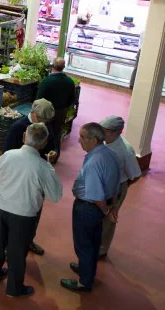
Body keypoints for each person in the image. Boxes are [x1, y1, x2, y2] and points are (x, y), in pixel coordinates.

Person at [0, 123, 63, 298]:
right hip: (24, 214)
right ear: (44, 143)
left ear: (24, 136)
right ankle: (14, 289)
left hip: (2, 207)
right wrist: (50, 166)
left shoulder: (8, 155)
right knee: (17, 250)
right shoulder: (43, 167)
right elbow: (55, 195)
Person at [61, 123, 120, 293]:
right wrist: (112, 206)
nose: (79, 141)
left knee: (84, 245)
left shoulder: (94, 162)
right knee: (93, 242)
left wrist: (106, 211)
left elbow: (95, 196)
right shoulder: (110, 153)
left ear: (94, 140)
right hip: (99, 208)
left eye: (82, 137)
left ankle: (84, 282)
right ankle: (87, 268)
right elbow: (116, 184)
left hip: (88, 208)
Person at [4, 99, 55, 256]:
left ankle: (28, 240)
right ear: (33, 113)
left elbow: (53, 143)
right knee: (15, 215)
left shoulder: (46, 127)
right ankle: (9, 247)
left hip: (38, 179)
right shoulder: (17, 128)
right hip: (20, 181)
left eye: (46, 121)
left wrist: (53, 153)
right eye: (41, 120)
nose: (44, 124)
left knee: (35, 213)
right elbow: (7, 155)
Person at [98, 116, 142, 258]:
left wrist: (123, 188)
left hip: (116, 188)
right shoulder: (106, 143)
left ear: (114, 132)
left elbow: (136, 175)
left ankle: (101, 250)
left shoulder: (124, 151)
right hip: (102, 185)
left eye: (103, 131)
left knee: (108, 219)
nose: (100, 133)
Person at [36, 57, 76, 162]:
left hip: (46, 112)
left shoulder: (46, 81)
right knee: (57, 133)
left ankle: (43, 156)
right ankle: (55, 155)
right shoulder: (69, 82)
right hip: (61, 112)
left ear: (52, 66)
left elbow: (38, 100)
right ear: (63, 67)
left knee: (44, 133)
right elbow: (73, 100)